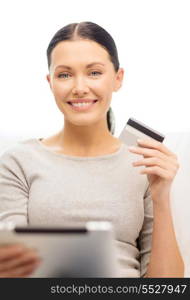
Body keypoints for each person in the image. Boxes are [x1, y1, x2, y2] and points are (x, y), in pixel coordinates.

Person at [0, 21, 184, 278]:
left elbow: (166, 289)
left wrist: (161, 198)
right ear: (50, 82)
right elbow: (11, 278)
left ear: (117, 78)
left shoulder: (144, 162)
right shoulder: (18, 162)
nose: (79, 87)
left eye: (94, 73)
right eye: (64, 75)